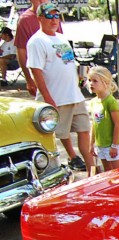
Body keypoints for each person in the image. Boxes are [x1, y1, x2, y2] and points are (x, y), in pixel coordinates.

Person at [26, 3, 92, 172]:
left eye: (57, 16)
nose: (54, 19)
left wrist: (80, 75)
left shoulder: (62, 38)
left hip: (75, 95)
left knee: (84, 130)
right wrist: (48, 97)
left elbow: (68, 62)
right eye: (50, 16)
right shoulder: (36, 41)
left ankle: (92, 168)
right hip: (57, 96)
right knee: (59, 133)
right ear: (40, 18)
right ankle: (68, 159)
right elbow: (36, 70)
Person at [15, 0, 61, 97]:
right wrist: (28, 79)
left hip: (58, 73)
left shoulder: (54, 17)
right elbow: (21, 51)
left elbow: (61, 42)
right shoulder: (24, 19)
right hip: (39, 70)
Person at [86, 66, 119, 174]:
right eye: (89, 80)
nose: (91, 83)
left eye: (95, 81)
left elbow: (117, 125)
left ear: (105, 82)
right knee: (107, 173)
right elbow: (94, 124)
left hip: (111, 144)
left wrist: (114, 145)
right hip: (100, 144)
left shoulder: (110, 102)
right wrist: (91, 143)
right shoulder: (93, 102)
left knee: (118, 173)